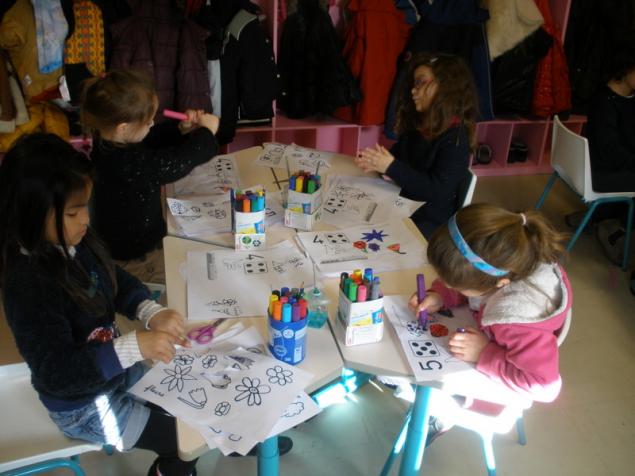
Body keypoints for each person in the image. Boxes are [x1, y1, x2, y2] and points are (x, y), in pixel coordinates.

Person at [0, 133, 196, 476]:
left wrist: (150, 311)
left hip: (114, 374)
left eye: (85, 208)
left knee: (191, 409)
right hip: (82, 406)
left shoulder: (74, 241)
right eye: (73, 212)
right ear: (31, 213)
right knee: (185, 440)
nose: (86, 221)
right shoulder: (28, 285)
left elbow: (111, 277)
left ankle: (241, 443)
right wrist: (133, 347)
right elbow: (58, 374)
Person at [409, 203, 572, 442]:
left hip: (491, 390)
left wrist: (484, 353)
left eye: (456, 285)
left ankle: (444, 417)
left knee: (412, 384)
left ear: (500, 284)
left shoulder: (517, 322)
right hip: (489, 332)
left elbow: (544, 387)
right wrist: (440, 294)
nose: (449, 284)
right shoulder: (512, 258)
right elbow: (473, 281)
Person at [81, 70, 220, 283]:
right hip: (133, 259)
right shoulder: (123, 165)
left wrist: (180, 129)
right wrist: (206, 134)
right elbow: (174, 164)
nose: (152, 124)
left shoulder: (109, 142)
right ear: (123, 128)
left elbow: (149, 139)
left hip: (138, 242)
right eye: (147, 122)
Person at [354, 52, 478, 239]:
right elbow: (401, 157)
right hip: (404, 202)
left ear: (446, 87)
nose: (413, 90)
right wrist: (377, 162)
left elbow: (436, 191)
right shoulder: (420, 125)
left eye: (421, 82)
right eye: (414, 83)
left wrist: (390, 166)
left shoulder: (456, 139)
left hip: (428, 220)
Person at [572, 40, 635, 266]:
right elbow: (610, 151)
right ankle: (615, 227)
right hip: (600, 170)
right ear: (626, 69)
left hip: (614, 164)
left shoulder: (628, 98)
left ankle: (602, 216)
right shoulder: (604, 103)